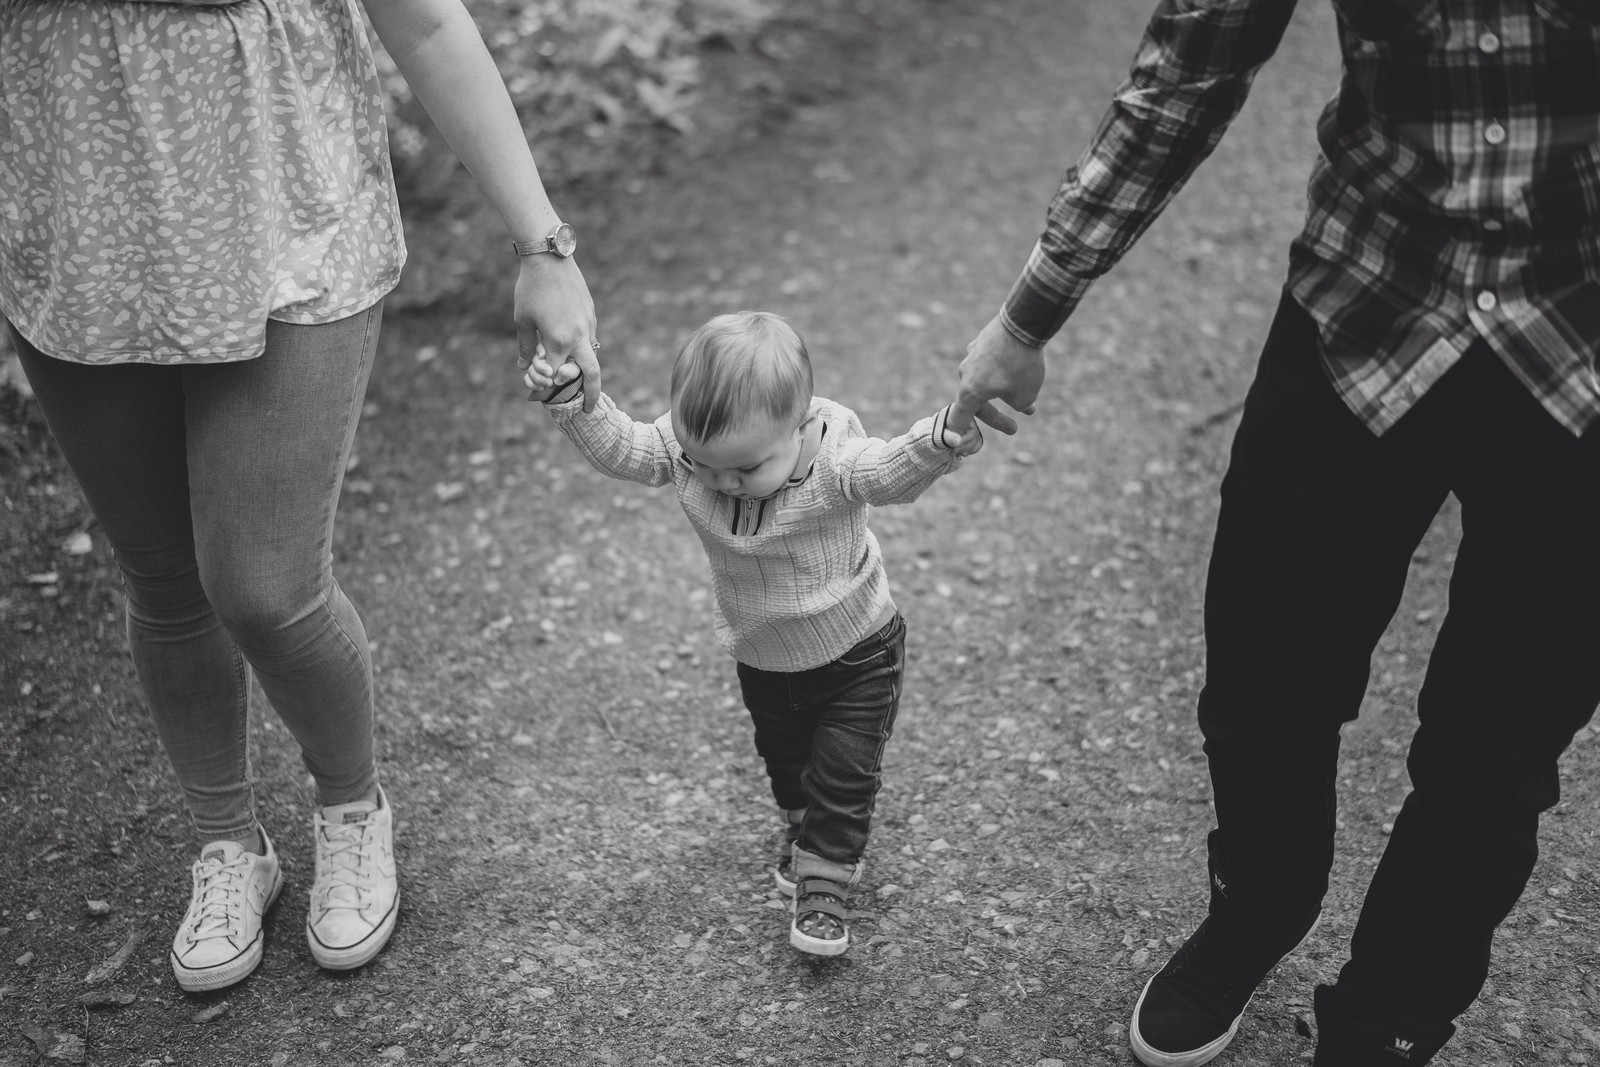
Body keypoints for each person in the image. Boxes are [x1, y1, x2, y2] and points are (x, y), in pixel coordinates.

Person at [950, 1, 1600, 1064]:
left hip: (1581, 341)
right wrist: (1032, 309)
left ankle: (1388, 1011)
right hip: (1366, 299)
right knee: (1259, 680)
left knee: (1497, 750)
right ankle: (1259, 903)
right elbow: (1191, 61)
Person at [1, 0, 599, 992]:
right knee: (163, 577)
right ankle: (228, 841)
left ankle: (352, 808)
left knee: (267, 584)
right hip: (78, 229)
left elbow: (427, 25)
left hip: (289, 217)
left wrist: (543, 244)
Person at [525, 310, 982, 955]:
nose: (722, 482)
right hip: (763, 656)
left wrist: (940, 440)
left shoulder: (835, 462)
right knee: (787, 761)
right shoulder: (691, 453)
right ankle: (801, 828)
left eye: (745, 469)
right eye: (705, 465)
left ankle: (824, 887)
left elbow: (888, 472)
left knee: (843, 775)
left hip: (858, 651)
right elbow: (624, 449)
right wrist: (572, 400)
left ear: (798, 429)